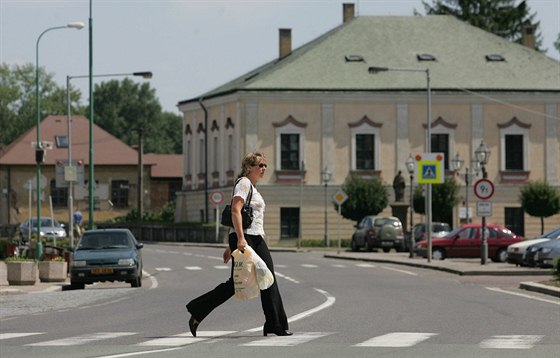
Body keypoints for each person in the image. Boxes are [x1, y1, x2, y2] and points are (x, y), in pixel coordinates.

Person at [186, 152, 292, 337]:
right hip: (248, 238)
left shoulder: (252, 187)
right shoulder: (243, 183)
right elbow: (236, 210)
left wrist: (232, 243)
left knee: (266, 278)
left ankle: (275, 324)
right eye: (260, 165)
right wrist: (240, 239)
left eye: (265, 165)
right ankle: (198, 311)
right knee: (238, 283)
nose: (263, 169)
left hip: (254, 237)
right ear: (249, 167)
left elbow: (243, 216)